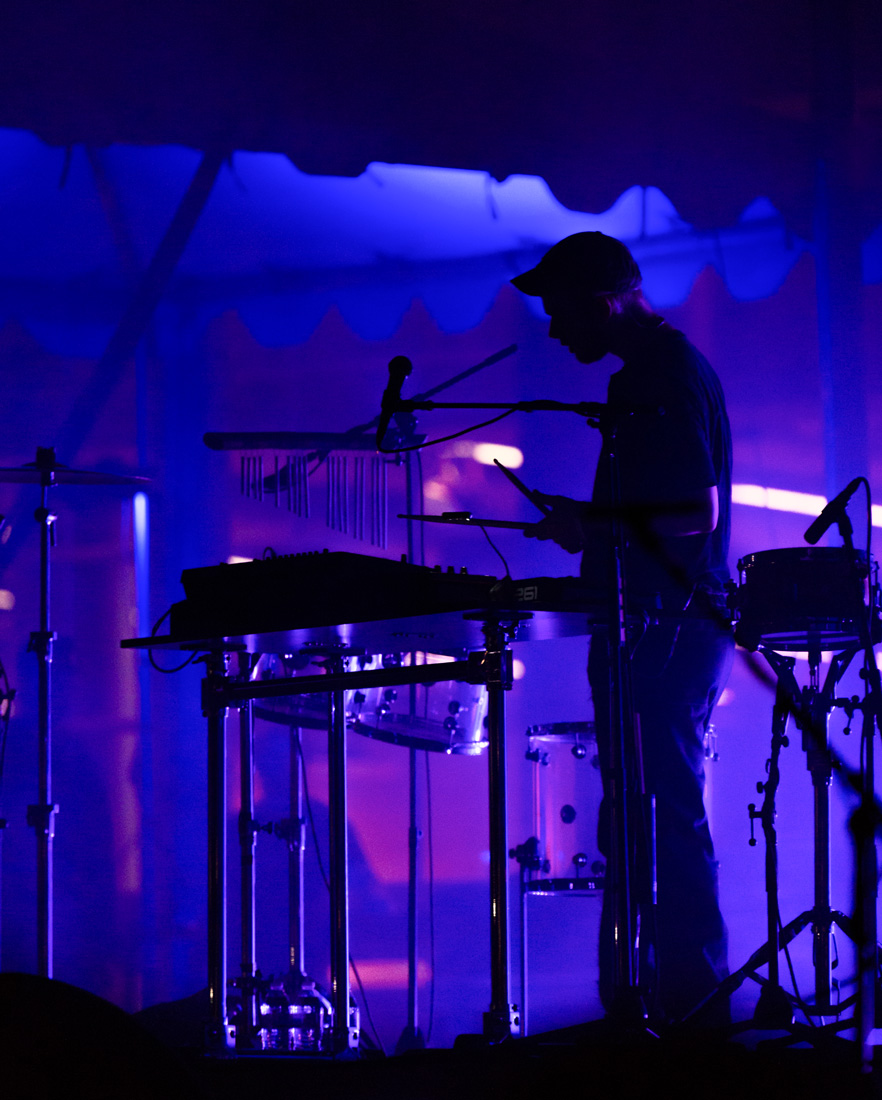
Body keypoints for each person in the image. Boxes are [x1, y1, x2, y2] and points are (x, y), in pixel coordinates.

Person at [511, 231, 734, 1026]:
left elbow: (692, 514)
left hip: (668, 626)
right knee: (643, 810)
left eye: (560, 308)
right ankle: (655, 1004)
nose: (553, 328)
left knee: (661, 809)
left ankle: (691, 1012)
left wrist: (591, 524)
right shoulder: (653, 374)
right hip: (658, 623)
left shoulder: (662, 376)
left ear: (604, 302)